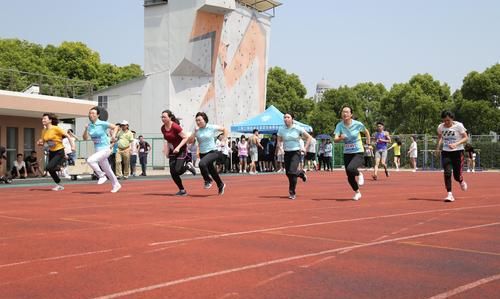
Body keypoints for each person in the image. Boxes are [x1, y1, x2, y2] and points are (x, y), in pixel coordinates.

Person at [333, 106, 371, 201]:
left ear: (351, 114)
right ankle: (357, 192)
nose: (344, 114)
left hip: (358, 151)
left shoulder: (358, 124)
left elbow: (366, 132)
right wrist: (341, 137)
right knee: (349, 176)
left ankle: (360, 174)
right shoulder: (339, 125)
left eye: (347, 112)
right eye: (343, 112)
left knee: (351, 168)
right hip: (347, 152)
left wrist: (368, 144)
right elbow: (335, 139)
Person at [83, 106, 121, 193]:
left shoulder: (102, 123)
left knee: (90, 160)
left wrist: (113, 136)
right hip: (98, 150)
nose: (91, 115)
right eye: (90, 113)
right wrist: (85, 129)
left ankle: (101, 175)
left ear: (98, 115)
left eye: (93, 113)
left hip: (106, 149)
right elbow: (85, 138)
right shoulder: (89, 126)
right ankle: (116, 184)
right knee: (107, 169)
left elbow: (116, 127)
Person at [161, 110, 196, 196]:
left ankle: (188, 166)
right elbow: (168, 140)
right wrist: (167, 151)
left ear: (170, 118)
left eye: (164, 117)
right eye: (161, 117)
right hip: (173, 151)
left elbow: (185, 138)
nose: (162, 119)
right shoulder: (163, 128)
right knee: (173, 172)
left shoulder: (176, 127)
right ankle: (182, 190)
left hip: (181, 150)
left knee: (177, 170)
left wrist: (178, 147)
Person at [277, 112, 312, 200]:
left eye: (288, 117)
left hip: (296, 152)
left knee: (292, 172)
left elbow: (309, 137)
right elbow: (279, 140)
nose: (286, 119)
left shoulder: (297, 128)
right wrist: (280, 148)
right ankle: (301, 173)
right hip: (286, 152)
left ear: (292, 119)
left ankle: (292, 192)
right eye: (285, 117)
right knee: (288, 173)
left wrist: (305, 148)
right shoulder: (281, 129)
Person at [435, 110, 469, 202]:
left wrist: (456, 144)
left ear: (452, 119)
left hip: (458, 152)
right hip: (446, 152)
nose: (446, 122)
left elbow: (466, 137)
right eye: (444, 120)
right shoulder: (440, 127)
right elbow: (440, 137)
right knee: (447, 172)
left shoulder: (459, 125)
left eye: (448, 120)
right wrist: (437, 149)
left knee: (456, 176)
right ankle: (449, 194)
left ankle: (461, 181)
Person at [191, 112, 227, 195]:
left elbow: (225, 129)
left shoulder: (211, 127)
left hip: (213, 151)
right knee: (212, 171)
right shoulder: (197, 130)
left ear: (205, 120)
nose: (198, 122)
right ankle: (220, 184)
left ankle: (208, 180)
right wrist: (194, 132)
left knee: (202, 164)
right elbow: (192, 141)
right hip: (203, 153)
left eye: (199, 120)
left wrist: (224, 140)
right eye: (196, 120)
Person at [37, 113, 75, 191]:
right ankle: (59, 184)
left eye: (45, 119)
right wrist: (39, 142)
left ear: (50, 120)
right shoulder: (43, 130)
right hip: (51, 152)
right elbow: (43, 141)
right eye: (42, 119)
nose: (43, 120)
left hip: (59, 151)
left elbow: (68, 136)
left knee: (49, 167)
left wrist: (73, 146)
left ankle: (60, 167)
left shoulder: (56, 128)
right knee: (50, 169)